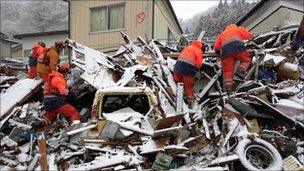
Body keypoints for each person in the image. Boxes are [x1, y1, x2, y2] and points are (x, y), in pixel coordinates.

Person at [32, 63, 80, 128]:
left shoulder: (52, 76)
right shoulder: (58, 79)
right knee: (73, 113)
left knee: (50, 117)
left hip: (47, 100)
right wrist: (70, 91)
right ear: (64, 72)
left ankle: (38, 125)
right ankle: (75, 128)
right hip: (55, 100)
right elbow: (63, 92)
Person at [214, 24, 253, 92]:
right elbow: (249, 36)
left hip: (225, 52)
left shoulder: (222, 34)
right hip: (238, 48)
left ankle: (228, 89)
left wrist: (218, 51)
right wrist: (251, 38)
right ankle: (241, 69)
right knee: (246, 60)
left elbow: (216, 47)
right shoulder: (238, 29)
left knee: (227, 71)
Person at [173, 40, 204, 106]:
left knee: (178, 84)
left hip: (178, 66)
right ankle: (190, 104)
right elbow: (199, 64)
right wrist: (196, 70)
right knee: (188, 86)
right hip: (188, 68)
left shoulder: (187, 48)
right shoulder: (198, 51)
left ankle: (177, 100)